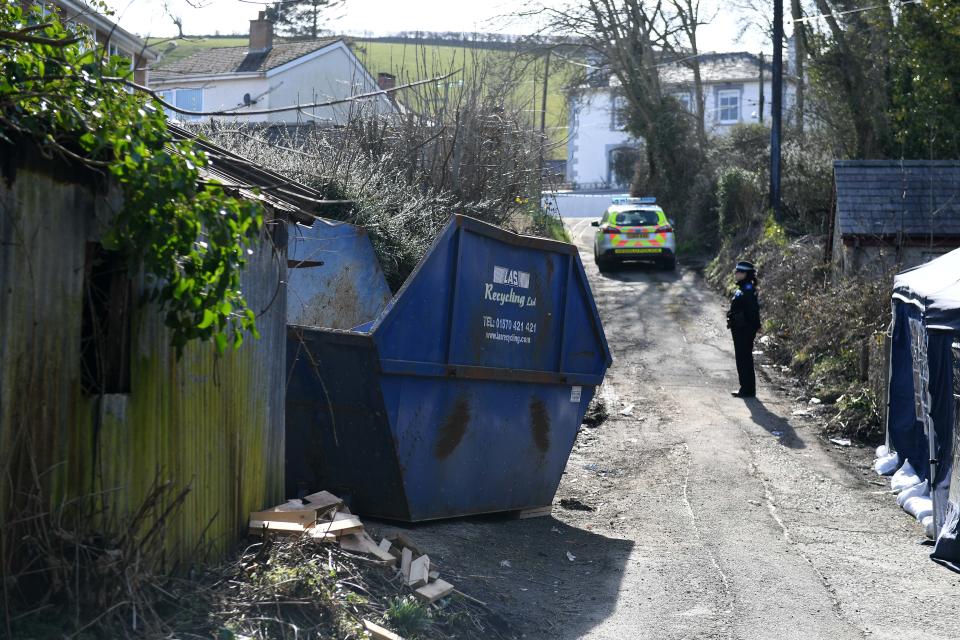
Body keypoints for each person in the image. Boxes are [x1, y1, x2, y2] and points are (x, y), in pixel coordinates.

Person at [727, 261, 761, 398]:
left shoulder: (747, 290)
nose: (735, 274)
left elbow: (753, 311)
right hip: (741, 328)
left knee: (744, 358)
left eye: (738, 272)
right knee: (743, 358)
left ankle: (747, 390)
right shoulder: (744, 288)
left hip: (744, 329)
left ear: (745, 274)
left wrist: (754, 327)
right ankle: (746, 388)